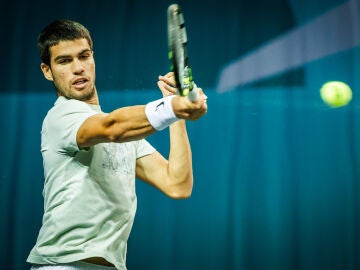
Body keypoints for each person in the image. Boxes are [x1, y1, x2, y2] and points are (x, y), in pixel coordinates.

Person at [27, 19, 207, 270]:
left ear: (93, 58)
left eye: (84, 56)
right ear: (47, 71)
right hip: (62, 265)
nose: (78, 68)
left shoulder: (125, 135)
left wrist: (177, 113)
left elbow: (177, 184)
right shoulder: (61, 117)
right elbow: (112, 127)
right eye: (64, 61)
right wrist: (173, 107)